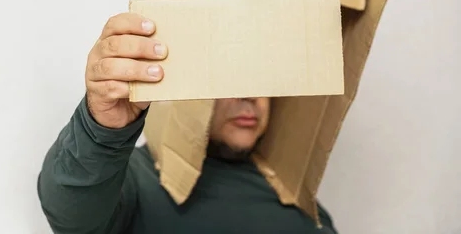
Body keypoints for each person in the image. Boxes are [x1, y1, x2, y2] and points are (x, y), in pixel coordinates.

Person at [37, 13, 337, 233]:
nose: (251, 94)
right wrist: (101, 130)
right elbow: (71, 211)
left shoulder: (303, 205)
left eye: (259, 76)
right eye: (233, 76)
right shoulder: (136, 179)